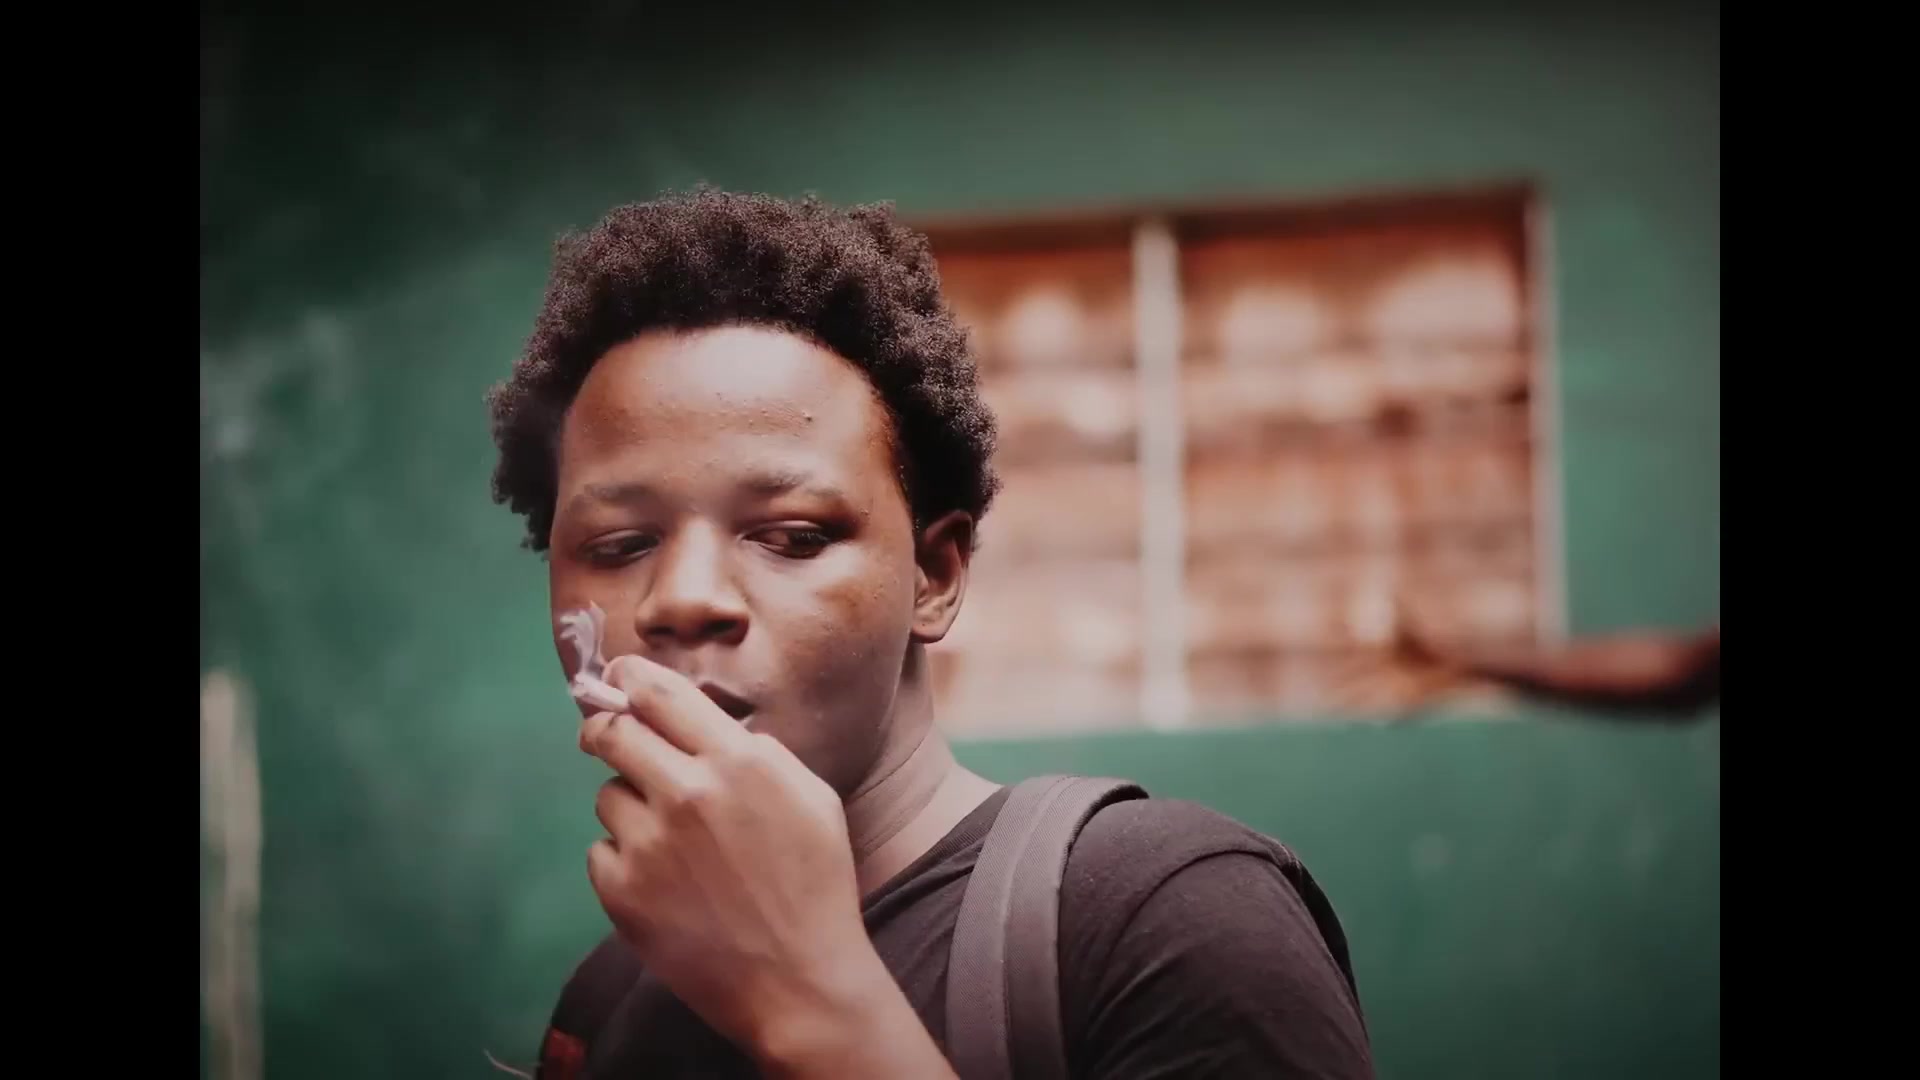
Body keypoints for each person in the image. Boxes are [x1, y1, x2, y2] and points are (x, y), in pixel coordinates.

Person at [487, 189, 1375, 1079]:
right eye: (620, 545)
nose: (684, 600)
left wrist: (808, 997)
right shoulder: (609, 1000)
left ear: (934, 576)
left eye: (792, 535)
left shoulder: (1170, 920)